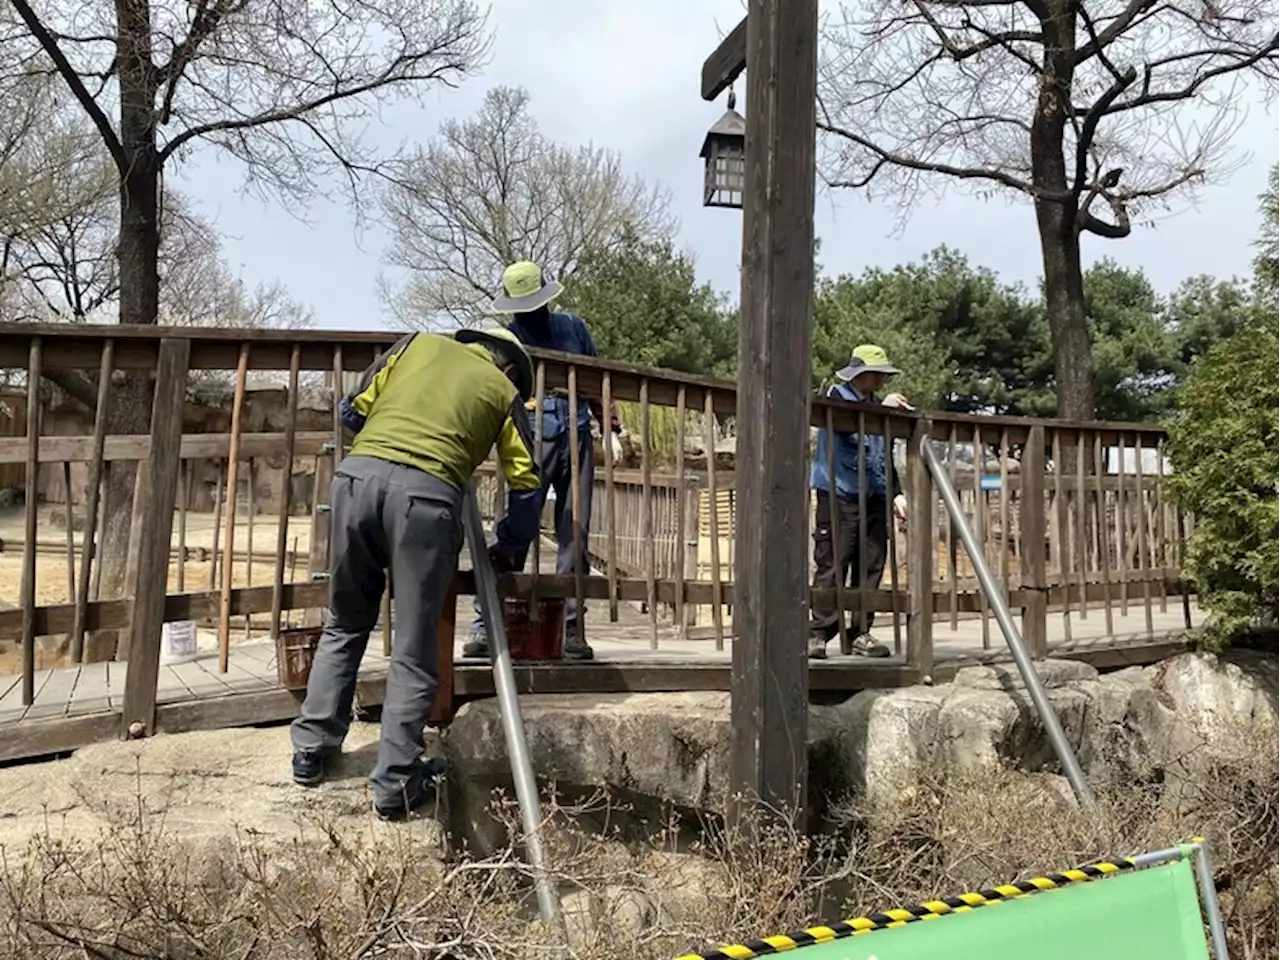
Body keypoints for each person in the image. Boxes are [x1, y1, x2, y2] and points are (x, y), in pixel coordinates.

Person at [290, 327, 543, 820]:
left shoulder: (417, 344)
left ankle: (312, 750)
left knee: (345, 620)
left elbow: (350, 411)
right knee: (414, 643)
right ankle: (396, 782)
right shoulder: (504, 391)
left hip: (356, 480)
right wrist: (510, 544)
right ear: (510, 369)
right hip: (426, 499)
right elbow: (527, 481)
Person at [462, 260, 623, 663]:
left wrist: (613, 428)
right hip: (530, 435)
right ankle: (486, 623)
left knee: (575, 531)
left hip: (578, 434)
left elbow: (593, 381)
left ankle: (571, 628)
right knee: (519, 525)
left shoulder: (573, 328)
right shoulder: (507, 339)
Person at [808, 344, 913, 661]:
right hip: (838, 492)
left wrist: (896, 492)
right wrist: (882, 410)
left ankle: (860, 632)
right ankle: (818, 634)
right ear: (861, 375)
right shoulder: (836, 397)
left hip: (875, 495)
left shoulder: (880, 408)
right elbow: (848, 425)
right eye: (877, 375)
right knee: (833, 563)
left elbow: (885, 456)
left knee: (870, 565)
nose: (881, 381)